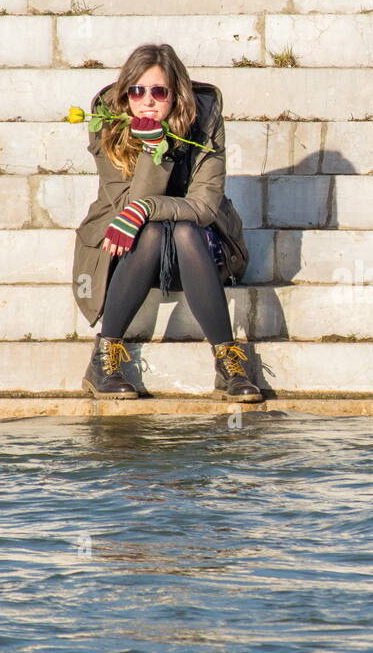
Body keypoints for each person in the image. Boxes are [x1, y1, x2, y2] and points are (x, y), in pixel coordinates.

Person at [71, 43, 262, 403]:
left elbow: (204, 207)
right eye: (137, 91)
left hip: (199, 253)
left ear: (176, 95)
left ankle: (227, 362)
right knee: (155, 231)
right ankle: (104, 359)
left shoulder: (204, 119)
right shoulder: (108, 123)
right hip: (129, 253)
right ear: (125, 95)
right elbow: (124, 206)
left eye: (159, 91)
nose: (147, 101)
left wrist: (146, 208)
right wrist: (152, 153)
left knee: (186, 229)